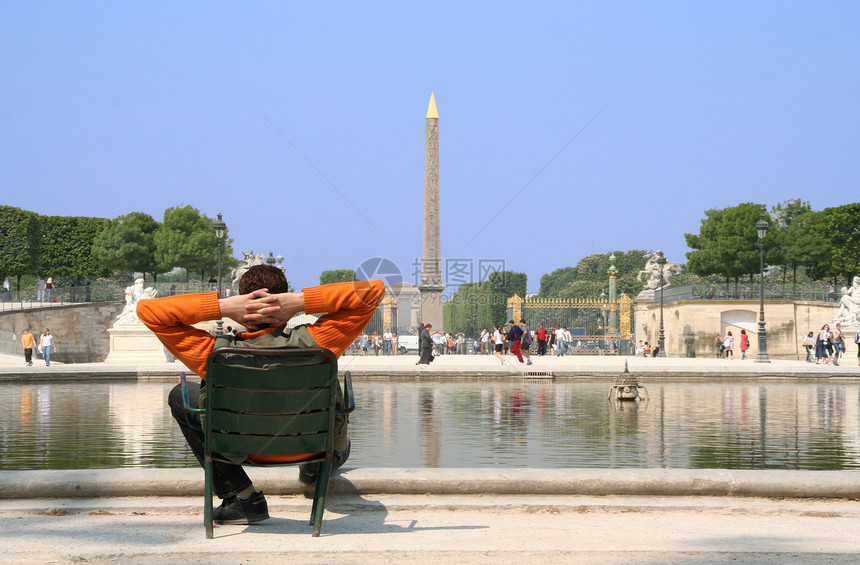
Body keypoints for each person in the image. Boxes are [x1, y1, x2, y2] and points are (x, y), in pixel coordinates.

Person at [137, 265, 384, 526]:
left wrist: (223, 306)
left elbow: (148, 311)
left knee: (181, 395)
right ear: (285, 300)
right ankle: (313, 472)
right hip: (316, 448)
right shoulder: (320, 341)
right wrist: (300, 301)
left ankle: (243, 498)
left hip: (241, 451)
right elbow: (374, 291)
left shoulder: (214, 354)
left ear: (240, 305)